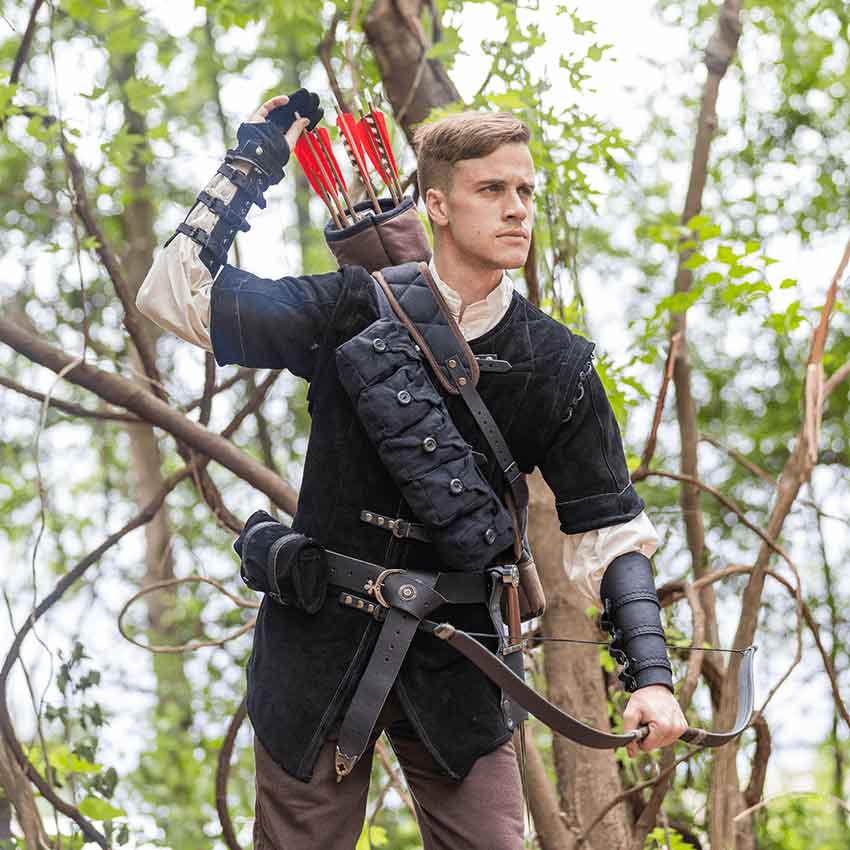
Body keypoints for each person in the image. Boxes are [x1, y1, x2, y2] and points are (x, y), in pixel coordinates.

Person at [137, 91, 687, 849]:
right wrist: (254, 159)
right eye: (491, 189)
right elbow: (174, 295)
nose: (517, 209)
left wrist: (651, 679)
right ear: (436, 204)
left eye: (526, 190)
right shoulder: (349, 308)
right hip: (318, 640)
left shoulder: (557, 363)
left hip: (460, 652)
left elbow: (612, 535)